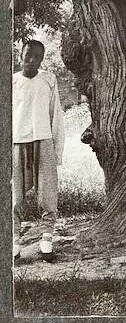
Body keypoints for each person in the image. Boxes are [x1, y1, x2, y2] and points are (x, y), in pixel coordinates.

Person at [12, 39, 65, 261]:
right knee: (14, 195)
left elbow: (56, 116)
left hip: (43, 140)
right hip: (17, 142)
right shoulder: (12, 82)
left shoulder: (48, 80)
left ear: (42, 59)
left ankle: (46, 240)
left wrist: (56, 150)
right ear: (20, 55)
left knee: (47, 194)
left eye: (37, 57)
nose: (32, 60)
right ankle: (13, 242)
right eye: (28, 55)